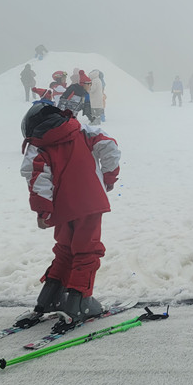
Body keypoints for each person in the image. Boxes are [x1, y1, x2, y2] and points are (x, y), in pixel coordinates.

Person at [20, 102, 121, 329]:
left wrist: (43, 211)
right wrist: (109, 176)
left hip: (62, 207)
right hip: (91, 201)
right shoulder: (84, 130)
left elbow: (37, 179)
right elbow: (109, 147)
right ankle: (80, 302)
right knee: (86, 250)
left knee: (65, 248)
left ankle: (49, 298)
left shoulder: (37, 146)